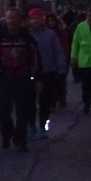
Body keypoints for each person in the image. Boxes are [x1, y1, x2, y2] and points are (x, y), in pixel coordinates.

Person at [0, 8, 40, 152]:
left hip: (22, 78)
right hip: (5, 77)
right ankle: (6, 135)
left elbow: (35, 58)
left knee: (22, 110)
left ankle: (20, 139)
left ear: (19, 20)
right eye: (9, 18)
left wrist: (36, 77)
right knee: (3, 110)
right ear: (5, 19)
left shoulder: (27, 37)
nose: (11, 21)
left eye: (14, 18)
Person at [27, 8, 66, 139]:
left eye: (38, 18)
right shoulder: (26, 34)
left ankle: (43, 127)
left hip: (47, 72)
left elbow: (57, 51)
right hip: (30, 73)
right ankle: (31, 126)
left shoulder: (50, 34)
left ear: (42, 19)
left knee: (44, 102)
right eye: (33, 18)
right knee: (29, 102)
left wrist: (60, 67)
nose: (35, 21)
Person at [45, 12, 71, 108]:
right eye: (49, 21)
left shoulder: (61, 32)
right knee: (52, 83)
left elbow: (65, 45)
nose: (51, 23)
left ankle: (61, 98)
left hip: (61, 59)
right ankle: (53, 100)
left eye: (52, 20)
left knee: (61, 81)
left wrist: (65, 57)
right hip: (50, 61)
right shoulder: (45, 33)